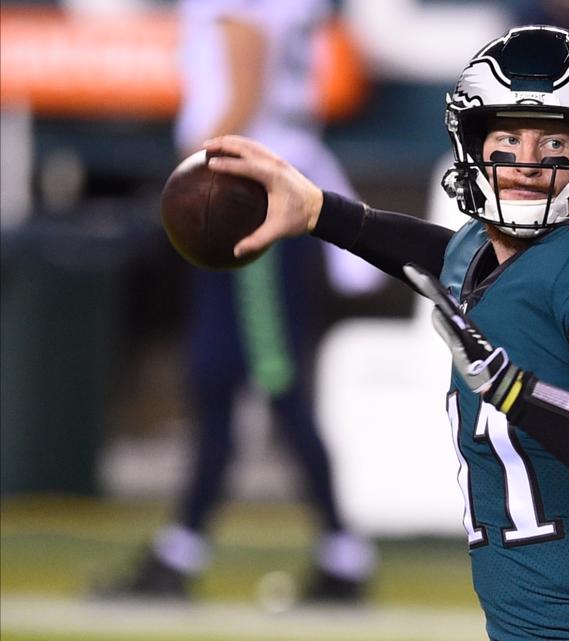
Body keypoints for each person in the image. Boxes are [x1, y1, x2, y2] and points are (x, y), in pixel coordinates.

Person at [203, 24, 569, 641]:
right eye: (507, 137)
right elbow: (446, 255)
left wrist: (514, 391)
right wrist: (320, 211)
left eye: (554, 141)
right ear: (473, 145)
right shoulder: (483, 256)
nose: (527, 162)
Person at [97, 0, 377, 602]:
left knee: (267, 381)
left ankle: (341, 554)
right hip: (265, 189)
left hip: (248, 200)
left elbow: (245, 73)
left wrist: (195, 173)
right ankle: (186, 549)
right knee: (223, 377)